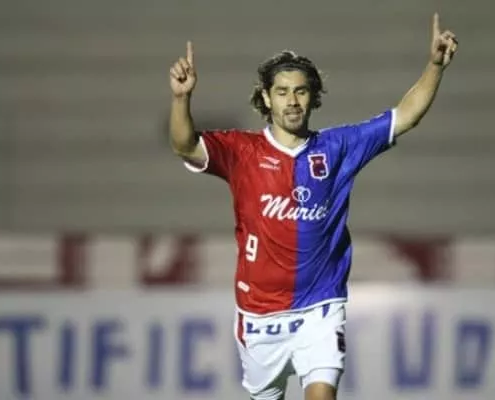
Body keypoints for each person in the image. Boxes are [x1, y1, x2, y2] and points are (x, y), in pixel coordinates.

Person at [168, 12, 458, 400]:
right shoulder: (242, 152)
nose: (292, 101)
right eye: (282, 92)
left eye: (301, 91)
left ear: (312, 97)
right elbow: (185, 145)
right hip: (260, 315)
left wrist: (435, 66)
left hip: (320, 308)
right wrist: (181, 98)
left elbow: (405, 116)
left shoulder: (337, 147)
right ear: (266, 98)